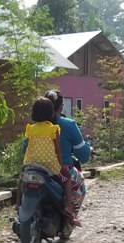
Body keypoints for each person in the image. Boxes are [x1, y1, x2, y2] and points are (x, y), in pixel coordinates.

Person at [21, 96, 76, 224]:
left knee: (21, 180)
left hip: (31, 164)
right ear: (51, 113)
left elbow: (27, 146)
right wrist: (61, 165)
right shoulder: (53, 128)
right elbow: (58, 150)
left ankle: (18, 204)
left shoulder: (31, 128)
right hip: (49, 166)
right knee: (67, 178)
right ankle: (68, 206)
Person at [44, 89, 90, 220]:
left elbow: (25, 148)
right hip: (61, 169)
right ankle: (69, 215)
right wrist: (87, 148)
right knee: (79, 183)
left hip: (36, 168)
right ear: (61, 107)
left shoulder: (34, 126)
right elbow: (83, 156)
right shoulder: (68, 125)